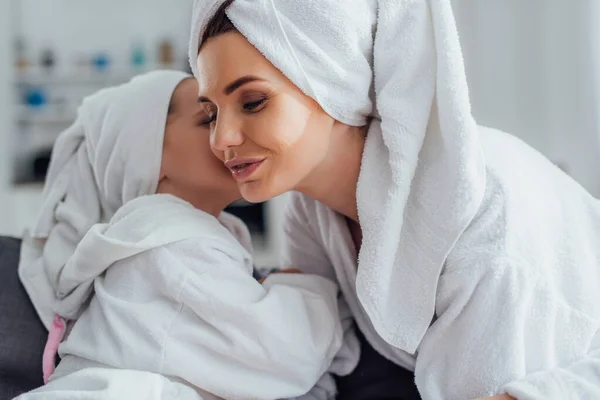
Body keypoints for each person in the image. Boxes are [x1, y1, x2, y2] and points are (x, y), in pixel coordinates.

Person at [189, 1, 600, 399]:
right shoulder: (309, 212)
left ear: (334, 82)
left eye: (253, 102)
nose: (221, 139)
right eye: (210, 113)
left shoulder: (474, 203)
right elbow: (314, 356)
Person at [16, 70, 358, 400]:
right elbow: (284, 358)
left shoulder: (178, 236)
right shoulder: (167, 243)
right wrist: (300, 287)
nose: (229, 132)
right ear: (147, 159)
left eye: (243, 107)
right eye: (208, 118)